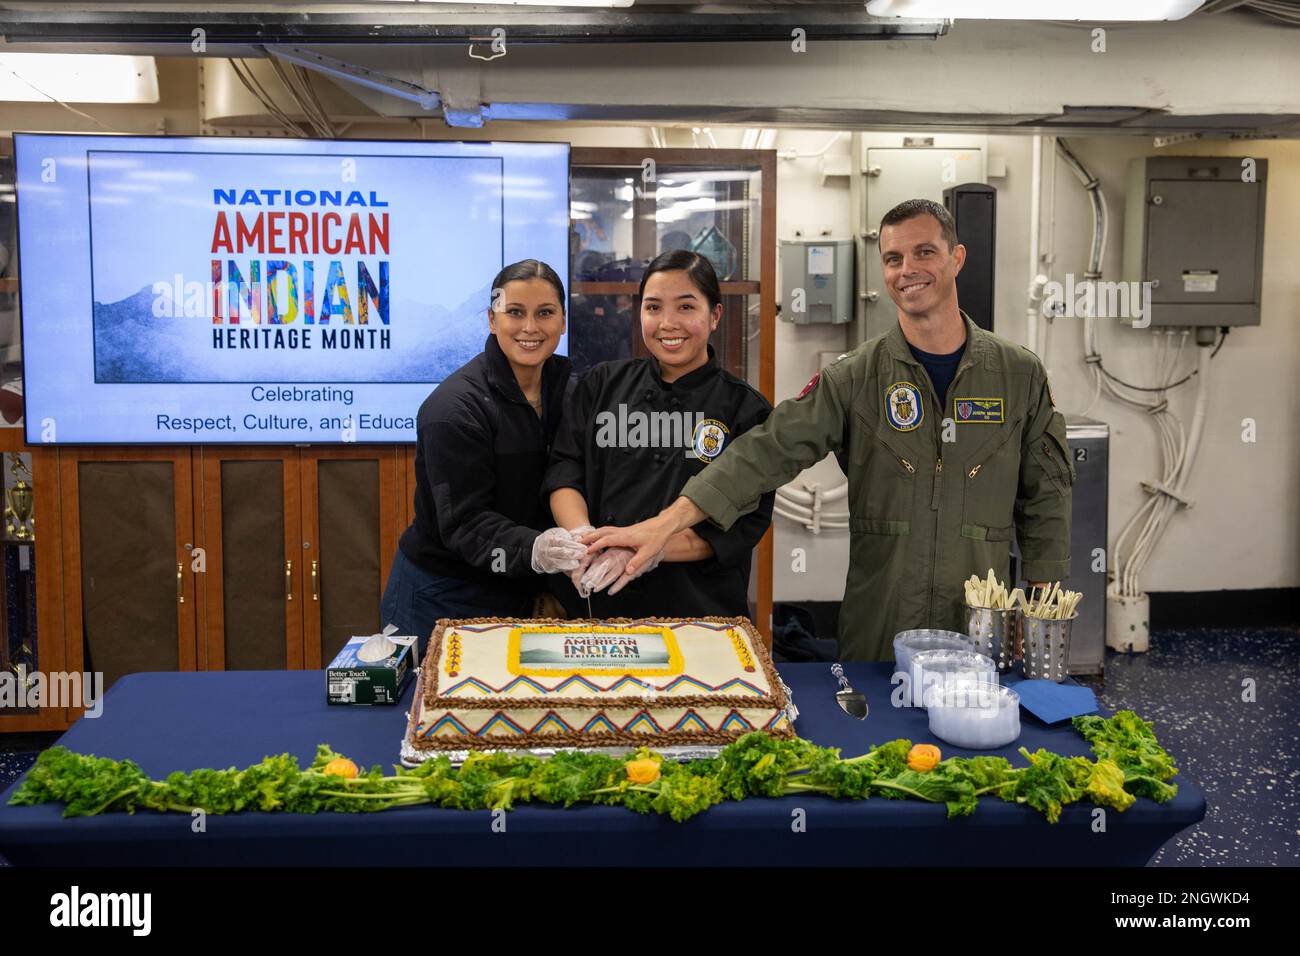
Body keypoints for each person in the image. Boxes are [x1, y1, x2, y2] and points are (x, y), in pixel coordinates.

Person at [582, 199, 1075, 661]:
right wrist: (666, 522)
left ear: (957, 257)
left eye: (924, 252)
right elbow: (765, 451)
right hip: (881, 615)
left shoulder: (1018, 375)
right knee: (876, 743)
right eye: (893, 258)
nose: (908, 270)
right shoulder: (854, 378)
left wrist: (1041, 606)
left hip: (981, 612)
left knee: (982, 738)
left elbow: (1046, 495)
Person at [544, 249, 774, 619]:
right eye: (653, 308)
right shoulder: (601, 384)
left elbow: (741, 526)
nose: (668, 323)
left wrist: (647, 549)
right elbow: (564, 473)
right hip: (597, 599)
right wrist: (584, 537)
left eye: (685, 307)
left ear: (714, 315)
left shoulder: (745, 410)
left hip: (699, 608)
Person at [380, 259, 587, 654]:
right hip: (443, 593)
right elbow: (463, 523)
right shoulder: (454, 408)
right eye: (514, 313)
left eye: (544, 313)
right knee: (428, 711)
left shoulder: (572, 389)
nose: (530, 327)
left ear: (563, 321)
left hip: (521, 589)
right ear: (491, 321)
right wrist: (537, 549)